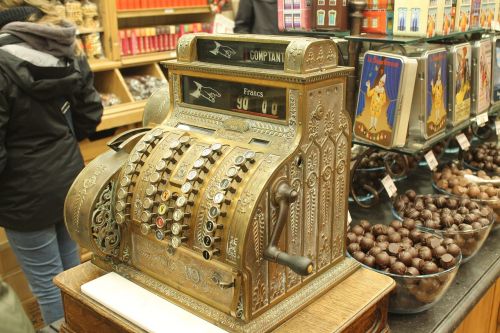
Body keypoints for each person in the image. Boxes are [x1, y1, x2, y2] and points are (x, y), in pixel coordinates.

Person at [0, 0, 103, 325]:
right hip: (68, 178)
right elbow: (90, 116)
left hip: (22, 194)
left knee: (46, 285)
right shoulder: (64, 48)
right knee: (72, 273)